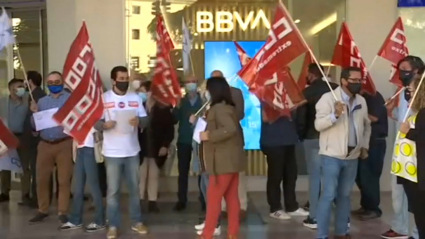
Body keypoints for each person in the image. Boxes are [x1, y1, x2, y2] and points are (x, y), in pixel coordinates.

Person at [314, 67, 371, 239]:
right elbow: (318, 125)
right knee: (329, 194)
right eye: (354, 80)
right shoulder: (328, 98)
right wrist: (335, 115)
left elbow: (367, 125)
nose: (358, 83)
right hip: (331, 155)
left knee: (345, 195)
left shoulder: (361, 100)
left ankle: (341, 232)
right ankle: (322, 235)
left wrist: (364, 146)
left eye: (360, 80)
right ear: (344, 81)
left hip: (352, 156)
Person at [94, 66, 149, 239]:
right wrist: (104, 126)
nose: (124, 81)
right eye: (121, 78)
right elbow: (95, 121)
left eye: (126, 79)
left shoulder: (135, 98)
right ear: (113, 81)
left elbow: (146, 120)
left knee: (134, 189)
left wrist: (139, 121)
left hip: (132, 151)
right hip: (112, 152)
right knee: (113, 191)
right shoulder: (104, 98)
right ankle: (113, 225)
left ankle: (137, 222)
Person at [197, 76, 245, 239]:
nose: (205, 92)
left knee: (213, 199)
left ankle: (207, 233)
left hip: (222, 162)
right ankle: (233, 232)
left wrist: (209, 135)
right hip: (231, 161)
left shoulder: (219, 109)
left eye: (207, 89)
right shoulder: (227, 107)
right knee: (231, 198)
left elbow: (229, 129)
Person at [381, 55, 423, 239]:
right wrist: (391, 109)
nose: (401, 73)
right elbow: (401, 118)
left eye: (405, 69)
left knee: (418, 197)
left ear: (416, 71)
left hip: (417, 152)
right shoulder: (402, 90)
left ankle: (417, 231)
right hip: (402, 151)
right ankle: (400, 227)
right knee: (400, 192)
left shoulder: (420, 91)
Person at [296, 63, 338, 228]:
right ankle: (343, 219)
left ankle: (314, 217)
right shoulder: (336, 89)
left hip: (313, 138)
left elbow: (301, 117)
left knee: (315, 178)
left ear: (312, 75)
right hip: (335, 139)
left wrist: (300, 135)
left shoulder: (307, 92)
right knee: (335, 177)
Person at [28, 71, 73, 224]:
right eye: (51, 82)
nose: (54, 85)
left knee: (64, 180)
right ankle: (43, 210)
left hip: (64, 143)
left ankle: (63, 211)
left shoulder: (69, 100)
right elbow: (35, 127)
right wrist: (33, 113)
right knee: (41, 179)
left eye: (57, 81)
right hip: (45, 144)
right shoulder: (41, 102)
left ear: (62, 82)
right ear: (47, 84)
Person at [210, 70, 248, 220]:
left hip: (233, 138)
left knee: (238, 174)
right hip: (217, 141)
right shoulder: (209, 96)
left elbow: (239, 114)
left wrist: (225, 112)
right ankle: (224, 208)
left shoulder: (235, 93)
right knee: (222, 175)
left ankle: (242, 206)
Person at [260, 104, 308, 219]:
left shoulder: (289, 97)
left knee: (291, 174)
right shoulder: (268, 96)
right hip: (273, 141)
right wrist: (282, 111)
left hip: (289, 139)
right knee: (275, 176)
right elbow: (265, 118)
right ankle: (275, 208)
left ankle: (291, 206)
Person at [59, 128, 105, 232]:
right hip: (79, 147)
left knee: (94, 186)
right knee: (78, 187)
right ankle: (76, 220)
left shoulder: (92, 111)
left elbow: (99, 127)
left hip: (90, 148)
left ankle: (100, 220)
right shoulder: (76, 111)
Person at [138, 83, 175, 213]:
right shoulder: (138, 107)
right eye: (141, 92)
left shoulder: (162, 108)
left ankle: (152, 202)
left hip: (156, 147)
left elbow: (169, 129)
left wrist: (165, 145)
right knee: (141, 176)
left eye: (145, 92)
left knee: (153, 175)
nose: (143, 95)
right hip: (140, 147)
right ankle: (140, 200)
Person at [353, 89, 388, 220]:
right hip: (363, 141)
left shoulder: (374, 96)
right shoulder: (359, 97)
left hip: (375, 142)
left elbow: (374, 117)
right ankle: (366, 205)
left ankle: (373, 208)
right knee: (360, 175)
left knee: (370, 176)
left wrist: (354, 113)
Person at [398, 75, 425, 238]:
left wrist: (408, 132)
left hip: (420, 175)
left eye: (411, 90)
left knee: (421, 217)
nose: (409, 93)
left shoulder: (423, 113)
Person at [173, 77, 203, 211]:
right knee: (183, 171)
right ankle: (181, 199)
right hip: (184, 140)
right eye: (188, 82)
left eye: (193, 81)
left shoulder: (203, 100)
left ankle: (203, 198)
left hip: (200, 140)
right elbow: (174, 119)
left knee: (202, 170)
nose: (191, 84)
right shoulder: (182, 101)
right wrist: (176, 107)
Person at [1, 79, 29, 204]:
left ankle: (26, 193)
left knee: (23, 166)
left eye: (23, 86)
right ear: (11, 89)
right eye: (19, 87)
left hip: (23, 137)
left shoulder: (27, 101)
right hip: (6, 137)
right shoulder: (2, 102)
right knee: (5, 166)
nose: (22, 89)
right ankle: (4, 192)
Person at [21, 71, 46, 208]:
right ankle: (35, 197)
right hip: (31, 139)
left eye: (25, 81)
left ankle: (38, 199)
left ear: (30, 81)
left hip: (35, 140)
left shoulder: (38, 97)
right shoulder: (33, 95)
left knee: (38, 170)